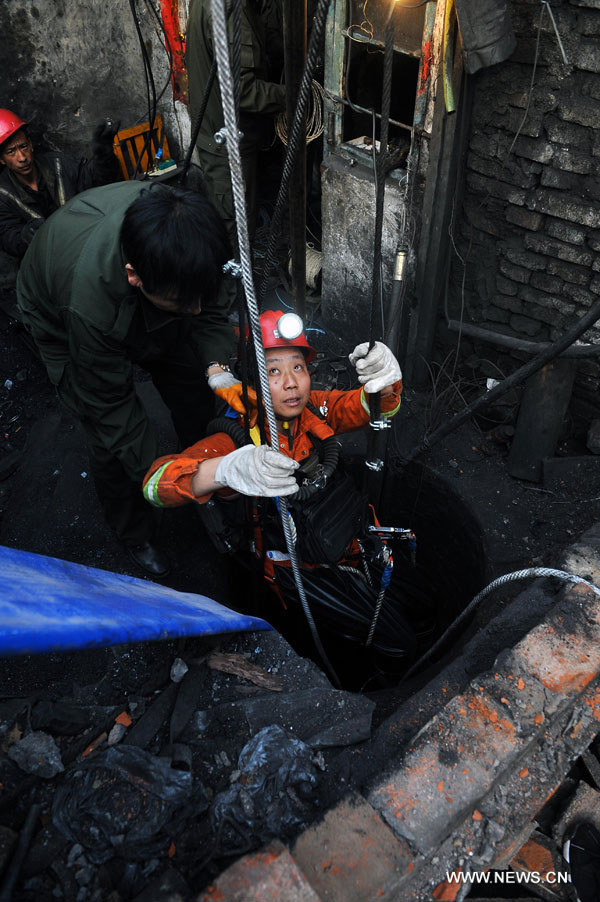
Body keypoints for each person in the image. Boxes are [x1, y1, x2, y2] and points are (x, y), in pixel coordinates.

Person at [143, 310, 418, 658]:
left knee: (404, 597)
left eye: (298, 367)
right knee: (394, 643)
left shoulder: (313, 409)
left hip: (348, 535)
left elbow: (365, 406)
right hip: (299, 572)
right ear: (251, 380)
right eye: (273, 371)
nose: (291, 382)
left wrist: (386, 382)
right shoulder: (236, 439)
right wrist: (223, 470)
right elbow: (155, 484)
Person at [16, 180, 236, 577]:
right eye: (184, 301)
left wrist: (216, 366)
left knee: (195, 389)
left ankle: (206, 471)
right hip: (59, 315)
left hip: (143, 287)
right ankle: (135, 533)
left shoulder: (192, 237)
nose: (197, 309)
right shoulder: (90, 304)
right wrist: (166, 477)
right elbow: (112, 405)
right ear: (134, 275)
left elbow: (209, 307)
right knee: (109, 441)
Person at [185, 0, 286, 242]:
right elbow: (244, 91)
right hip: (226, 144)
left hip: (219, 135)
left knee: (234, 221)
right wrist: (292, 95)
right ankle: (235, 280)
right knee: (235, 232)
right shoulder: (232, 9)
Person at [0, 108, 121, 260]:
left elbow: (95, 178)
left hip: (84, 246)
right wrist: (26, 235)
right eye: (11, 151)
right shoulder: (3, 194)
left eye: (23, 146)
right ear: (2, 159)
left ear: (30, 144)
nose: (22, 157)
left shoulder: (58, 163)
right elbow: (7, 237)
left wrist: (104, 157)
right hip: (48, 262)